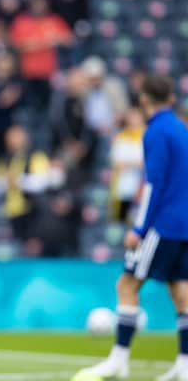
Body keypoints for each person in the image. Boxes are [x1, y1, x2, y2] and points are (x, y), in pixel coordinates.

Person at [80, 75, 188, 380]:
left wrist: (139, 229)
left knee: (127, 285)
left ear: (143, 100)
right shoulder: (181, 129)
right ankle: (185, 364)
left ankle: (118, 360)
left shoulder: (155, 131)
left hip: (163, 224)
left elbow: (154, 184)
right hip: (185, 225)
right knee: (182, 291)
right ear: (170, 98)